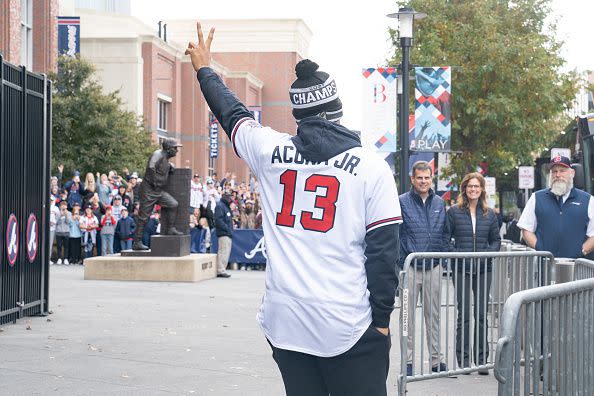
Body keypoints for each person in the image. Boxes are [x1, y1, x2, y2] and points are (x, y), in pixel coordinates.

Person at [187, 23, 401, 395]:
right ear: (337, 109)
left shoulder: (271, 151)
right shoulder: (371, 166)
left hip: (286, 322)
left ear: (299, 114)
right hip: (345, 322)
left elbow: (232, 113)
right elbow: (384, 252)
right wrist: (381, 320)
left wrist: (205, 69)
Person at [447, 172, 501, 374]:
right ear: (464, 189)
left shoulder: (489, 214)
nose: (473, 190)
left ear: (482, 190)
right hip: (461, 268)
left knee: (480, 314)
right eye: (470, 186)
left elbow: (496, 241)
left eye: (476, 187)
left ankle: (481, 361)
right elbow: (446, 240)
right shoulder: (454, 212)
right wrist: (459, 254)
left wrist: (486, 254)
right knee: (465, 315)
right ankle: (464, 361)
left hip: (483, 268)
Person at [398, 161, 449, 375]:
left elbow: (445, 233)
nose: (423, 181)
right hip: (410, 267)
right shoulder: (402, 202)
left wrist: (442, 259)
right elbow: (397, 233)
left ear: (431, 178)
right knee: (406, 317)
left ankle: (436, 361)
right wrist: (402, 261)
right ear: (413, 179)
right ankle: (407, 362)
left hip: (433, 267)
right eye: (419, 177)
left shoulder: (439, 202)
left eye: (427, 177)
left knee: (434, 316)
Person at [518, 155, 594, 258]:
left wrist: (581, 251)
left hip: (577, 267)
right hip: (545, 267)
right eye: (554, 171)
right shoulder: (536, 198)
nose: (557, 175)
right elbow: (526, 228)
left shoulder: (588, 200)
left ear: (572, 173)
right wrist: (540, 248)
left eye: (562, 170)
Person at [133, 138, 184, 250]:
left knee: (173, 204)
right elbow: (151, 167)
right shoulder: (158, 154)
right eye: (175, 148)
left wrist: (170, 166)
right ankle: (137, 242)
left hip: (157, 191)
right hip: (148, 191)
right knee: (144, 218)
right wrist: (155, 182)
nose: (177, 150)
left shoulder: (166, 159)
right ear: (169, 149)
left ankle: (170, 229)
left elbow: (163, 167)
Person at [214, 193, 233, 278]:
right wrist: (227, 229)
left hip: (227, 233)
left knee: (226, 252)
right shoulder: (220, 206)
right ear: (225, 198)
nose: (230, 199)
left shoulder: (226, 206)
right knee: (223, 251)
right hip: (223, 233)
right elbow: (218, 220)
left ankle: (222, 269)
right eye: (229, 197)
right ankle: (220, 270)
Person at [55, 200, 71, 265]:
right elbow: (57, 222)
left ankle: (66, 258)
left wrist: (66, 215)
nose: (63, 208)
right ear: (60, 207)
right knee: (59, 246)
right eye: (62, 206)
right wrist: (60, 215)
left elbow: (68, 222)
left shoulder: (69, 213)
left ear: (66, 207)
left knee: (66, 246)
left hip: (66, 232)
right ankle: (59, 258)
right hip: (59, 232)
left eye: (65, 206)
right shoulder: (58, 213)